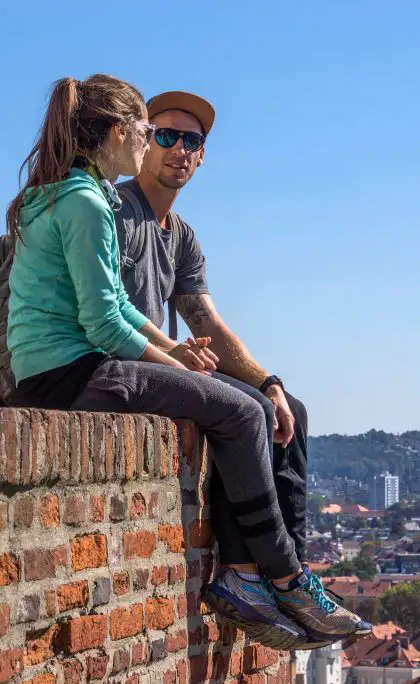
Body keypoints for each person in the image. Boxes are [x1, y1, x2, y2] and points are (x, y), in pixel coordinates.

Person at [4, 74, 364, 648]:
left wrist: (179, 354)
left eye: (185, 140)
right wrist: (176, 364)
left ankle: (269, 576)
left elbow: (123, 307)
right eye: (153, 133)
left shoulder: (72, 192)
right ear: (121, 132)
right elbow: (102, 324)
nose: (159, 145)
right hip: (74, 372)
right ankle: (277, 577)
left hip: (70, 366)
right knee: (244, 414)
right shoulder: (92, 203)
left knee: (264, 403)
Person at [112, 90, 370, 643]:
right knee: (243, 409)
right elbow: (106, 308)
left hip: (168, 365)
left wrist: (270, 382)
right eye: (166, 135)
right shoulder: (117, 211)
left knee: (285, 407)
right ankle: (256, 575)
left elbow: (205, 319)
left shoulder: (179, 236)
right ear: (141, 141)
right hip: (128, 366)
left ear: (202, 156)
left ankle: (282, 581)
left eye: (192, 141)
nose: (179, 149)